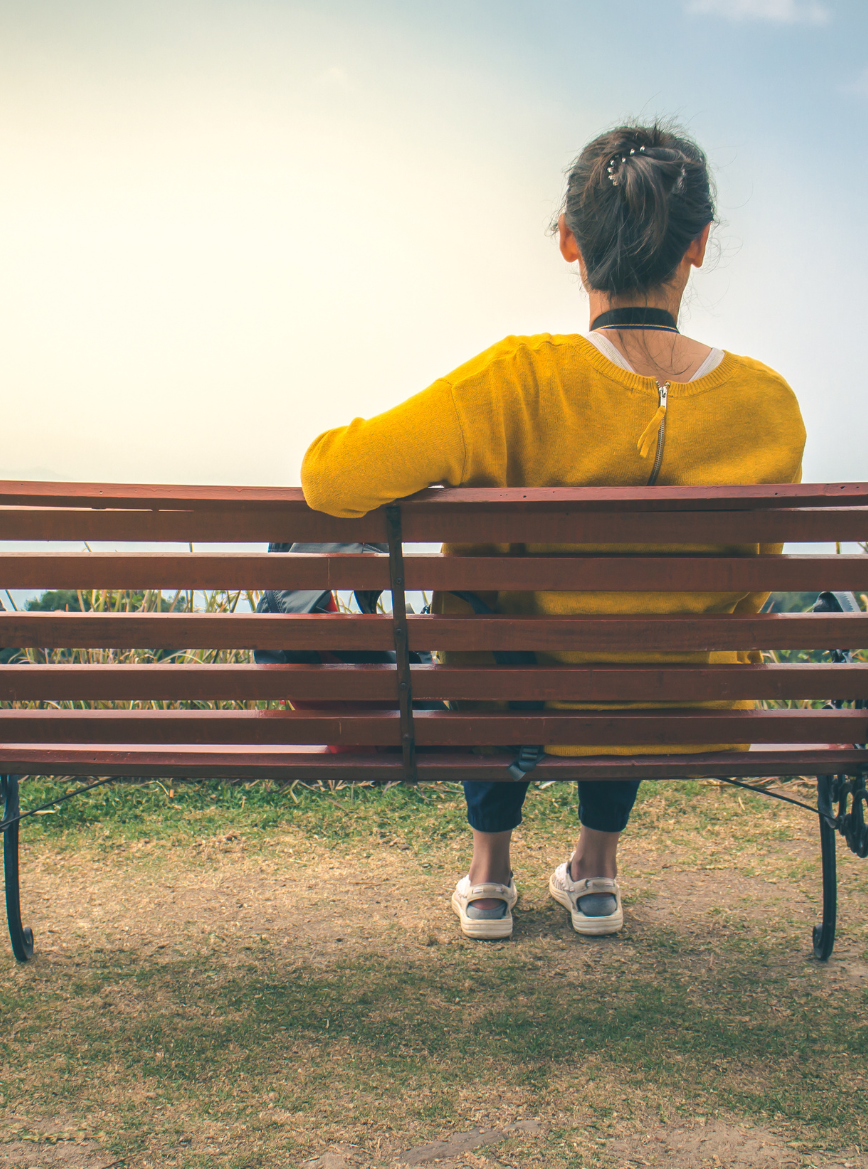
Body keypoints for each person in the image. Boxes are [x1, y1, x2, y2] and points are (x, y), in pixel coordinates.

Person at [300, 121, 805, 940]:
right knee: (641, 632)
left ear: (570, 241)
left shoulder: (517, 380)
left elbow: (329, 476)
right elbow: (754, 581)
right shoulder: (767, 403)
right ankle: (595, 872)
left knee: (491, 615)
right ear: (700, 245)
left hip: (513, 700)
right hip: (676, 705)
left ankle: (490, 877)